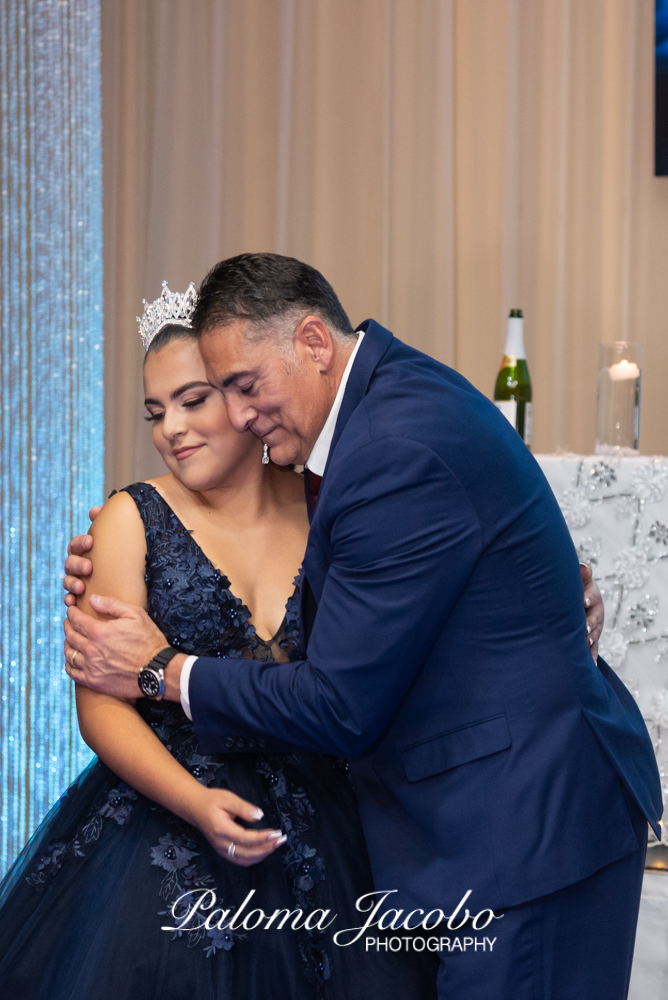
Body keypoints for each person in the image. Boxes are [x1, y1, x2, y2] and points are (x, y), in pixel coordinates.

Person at [63, 254, 662, 1000]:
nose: (240, 414)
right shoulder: (377, 409)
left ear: (315, 343)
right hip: (446, 821)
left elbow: (340, 702)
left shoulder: (382, 452)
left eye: (242, 388)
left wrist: (164, 669)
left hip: (519, 827)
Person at [0, 282, 437, 1000]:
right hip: (164, 825)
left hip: (325, 816)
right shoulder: (125, 519)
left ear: (241, 400)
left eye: (192, 400)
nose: (171, 427)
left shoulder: (324, 500)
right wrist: (197, 803)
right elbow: (100, 706)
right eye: (155, 411)